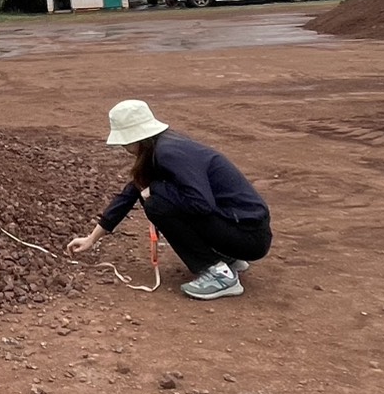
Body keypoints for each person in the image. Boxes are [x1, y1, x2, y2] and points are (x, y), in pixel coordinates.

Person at [66, 99, 272, 300]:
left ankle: (218, 272)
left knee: (157, 205)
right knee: (156, 197)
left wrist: (156, 189)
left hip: (249, 237)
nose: (123, 147)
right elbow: (131, 193)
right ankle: (227, 261)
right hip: (244, 230)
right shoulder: (163, 147)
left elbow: (201, 203)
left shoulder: (168, 153)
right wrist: (92, 239)